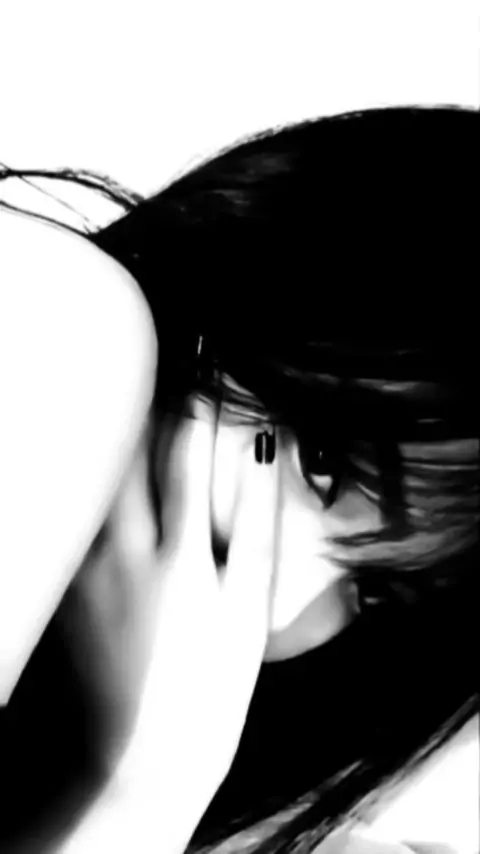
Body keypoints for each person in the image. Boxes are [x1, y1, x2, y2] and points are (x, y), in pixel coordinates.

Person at [0, 105, 478, 854]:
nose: (277, 612)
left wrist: (137, 796)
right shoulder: (71, 317)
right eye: (322, 465)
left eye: (375, 590)